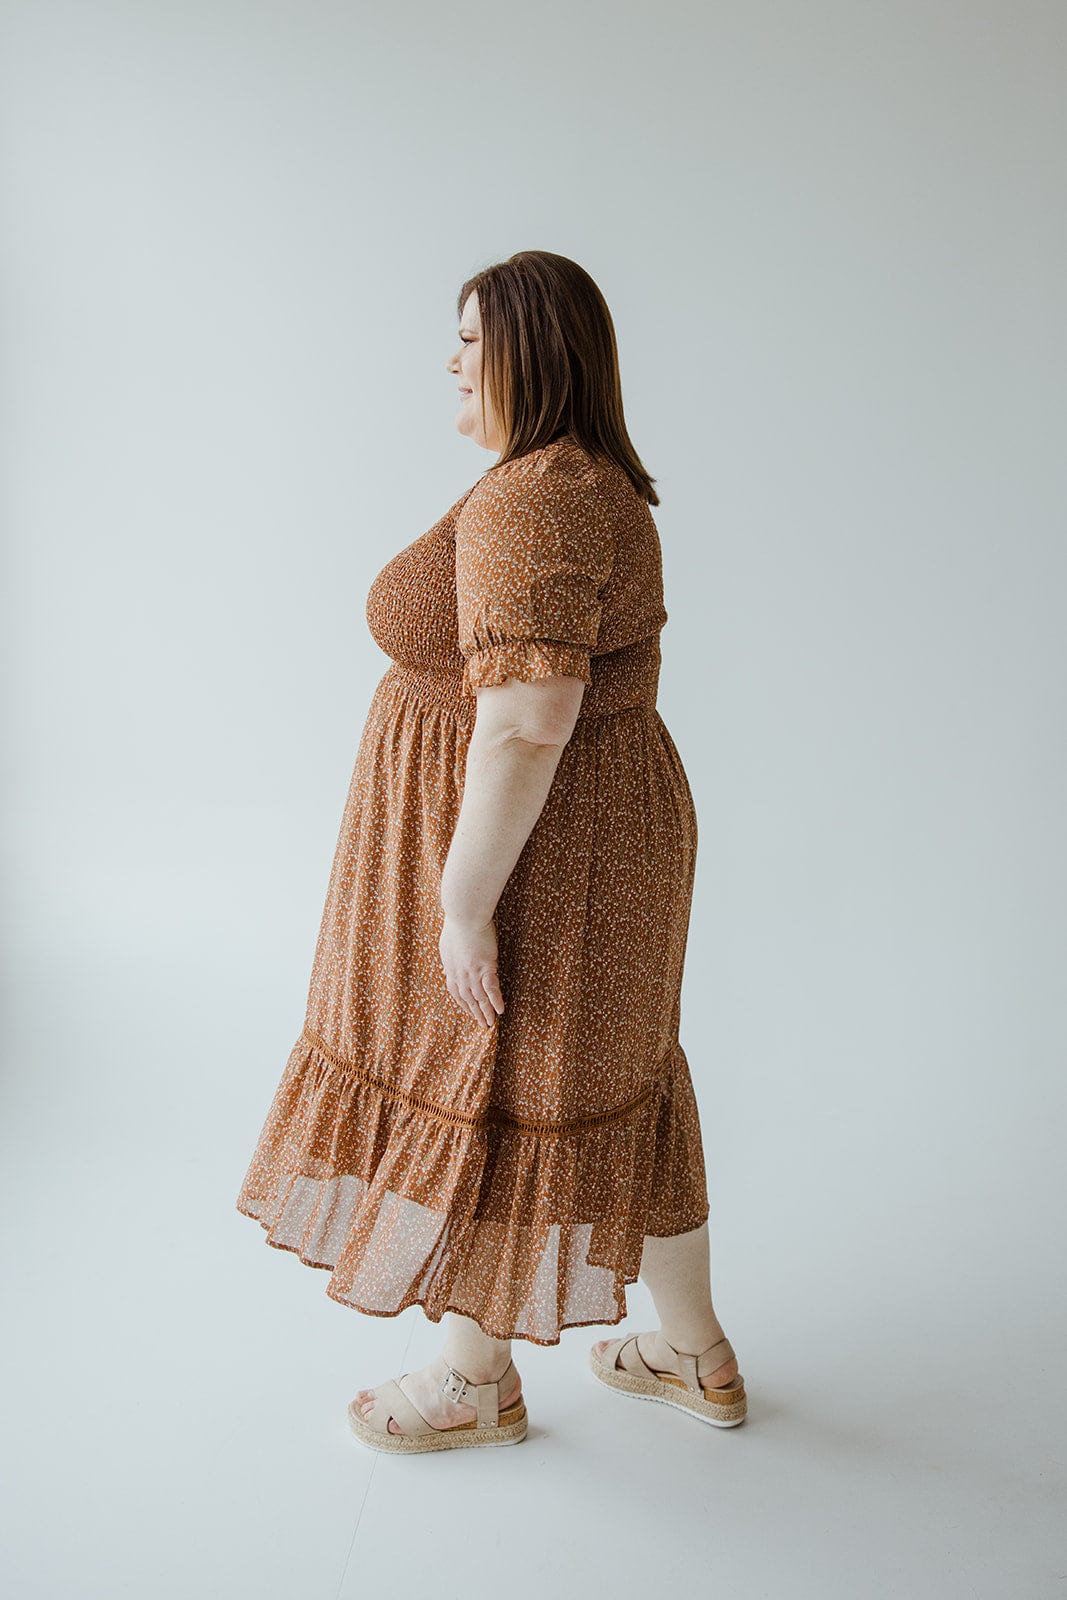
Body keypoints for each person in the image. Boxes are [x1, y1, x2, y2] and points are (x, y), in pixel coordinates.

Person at [235, 250, 746, 1454]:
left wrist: (462, 902)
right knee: (605, 1084)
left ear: (534, 351)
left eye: (472, 341)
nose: (452, 363)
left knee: (497, 1086)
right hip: (579, 840)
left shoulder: (537, 497)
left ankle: (472, 1380)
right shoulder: (570, 481)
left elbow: (524, 721)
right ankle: (690, 1351)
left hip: (538, 857)